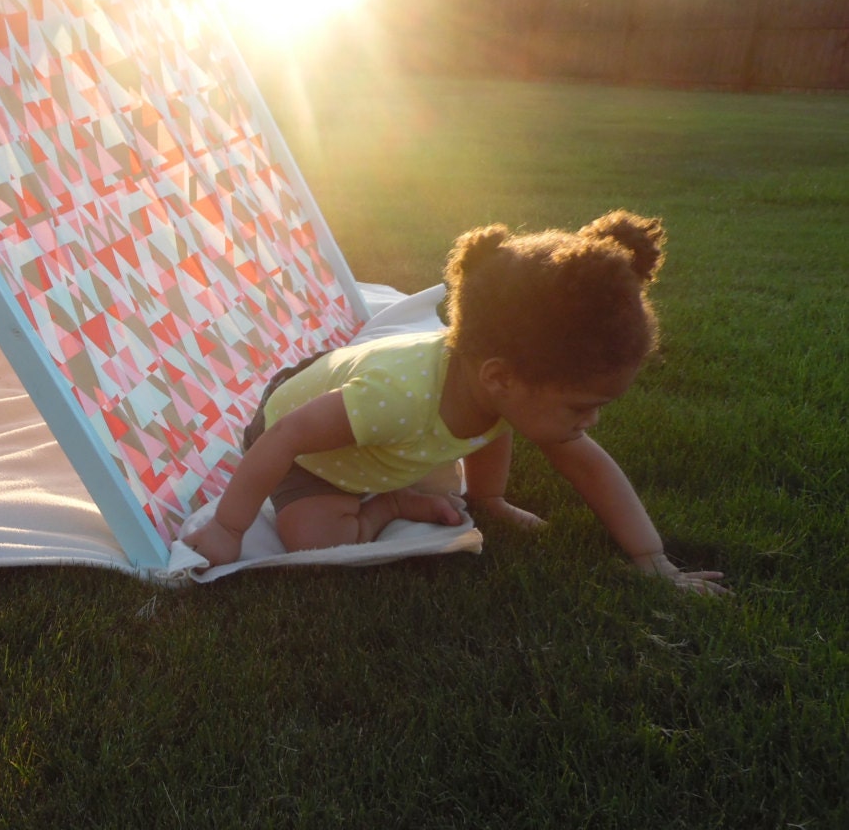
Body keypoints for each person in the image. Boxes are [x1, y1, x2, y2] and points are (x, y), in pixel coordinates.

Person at [182, 211, 725, 594]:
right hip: (306, 448)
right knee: (313, 543)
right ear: (500, 376)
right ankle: (391, 504)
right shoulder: (395, 399)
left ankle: (486, 497)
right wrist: (229, 529)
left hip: (378, 437)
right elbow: (288, 436)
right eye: (580, 406)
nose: (591, 420)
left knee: (493, 422)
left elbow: (591, 469)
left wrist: (653, 561)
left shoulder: (493, 390)